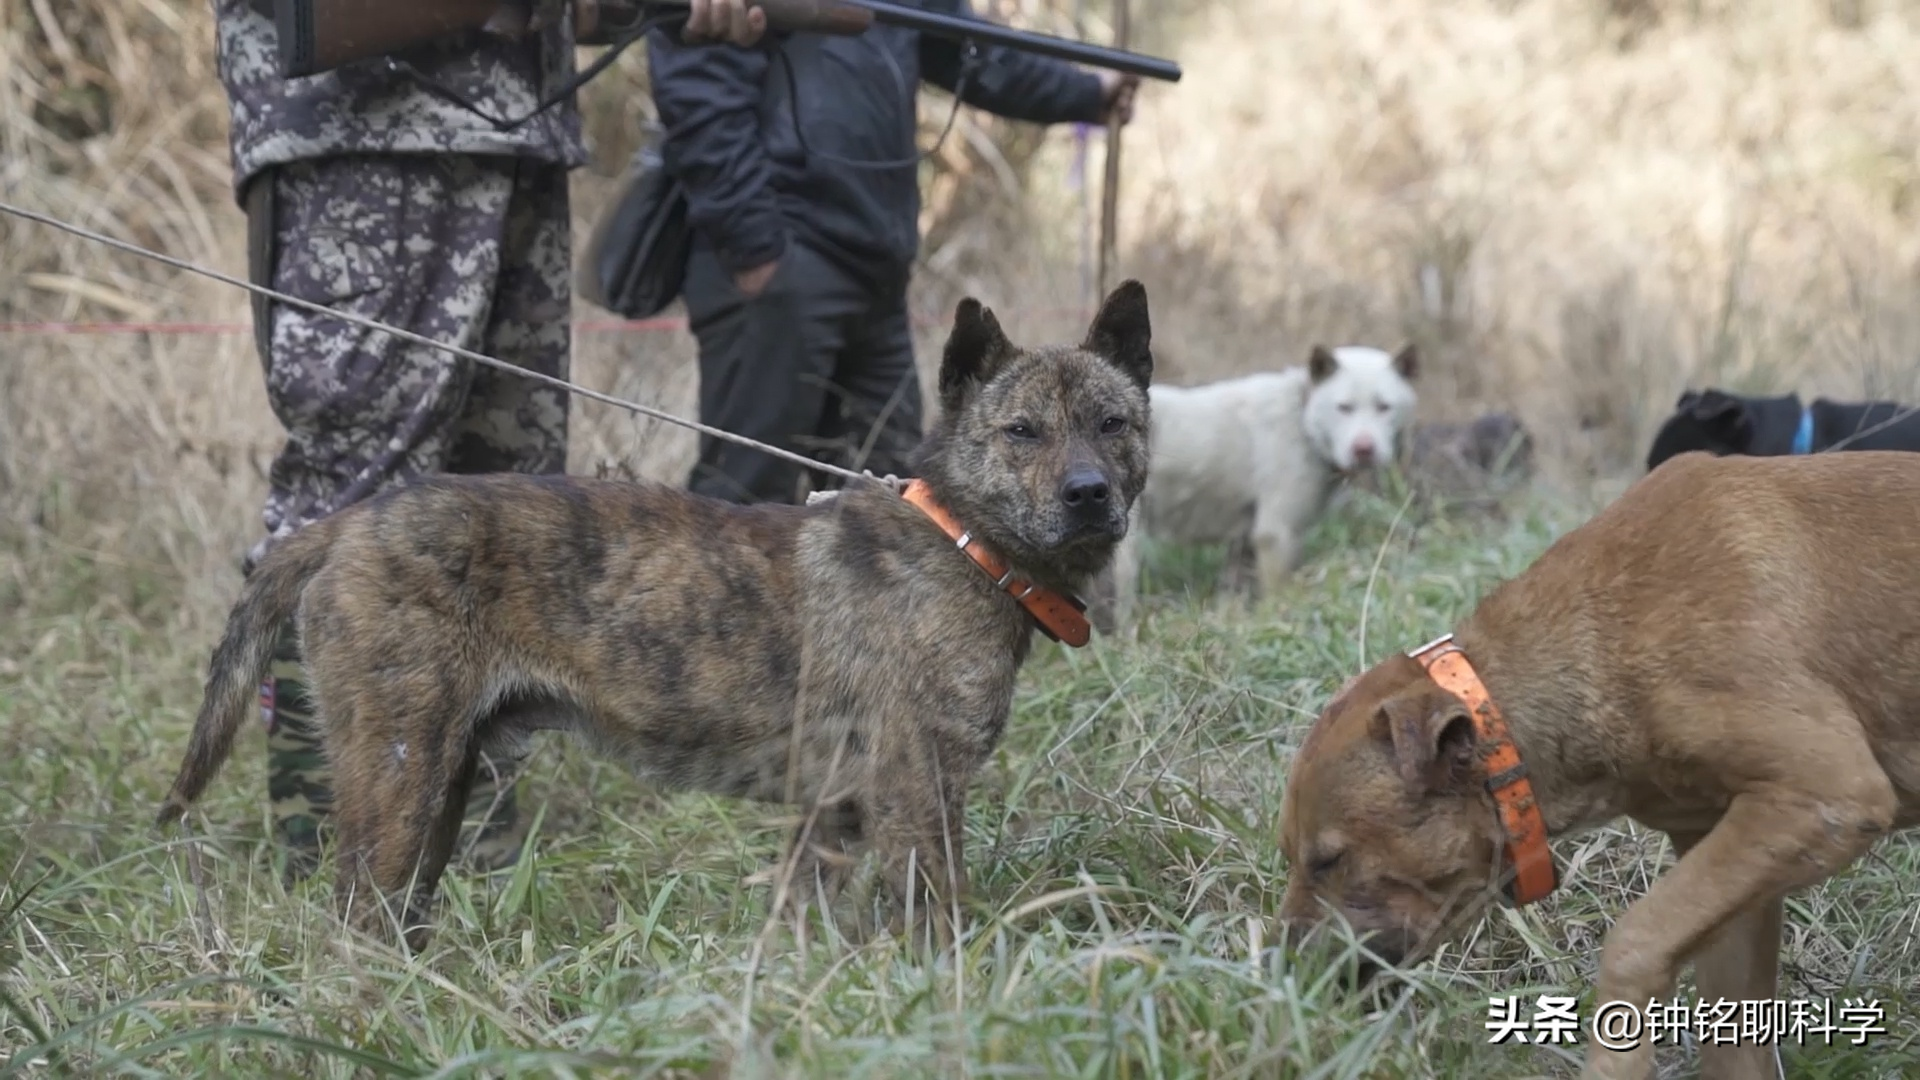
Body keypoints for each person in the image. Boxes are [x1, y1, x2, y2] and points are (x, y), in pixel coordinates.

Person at [212, 0, 771, 882]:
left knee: (509, 530)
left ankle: (466, 865)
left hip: (516, 132)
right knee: (355, 506)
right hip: (366, 135)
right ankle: (330, 864)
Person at [647, 0, 1140, 506]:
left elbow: (970, 49)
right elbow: (698, 87)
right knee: (743, 504)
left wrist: (1088, 92)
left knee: (891, 512)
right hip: (781, 264)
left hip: (875, 272)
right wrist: (755, 251)